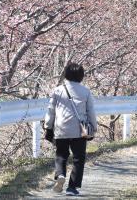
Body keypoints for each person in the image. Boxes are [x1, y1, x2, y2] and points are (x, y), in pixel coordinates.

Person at [44, 62, 97, 196]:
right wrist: (93, 129)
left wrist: (48, 127)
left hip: (61, 128)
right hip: (79, 130)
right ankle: (72, 188)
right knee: (79, 158)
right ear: (81, 76)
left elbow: (51, 111)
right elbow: (91, 111)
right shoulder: (86, 92)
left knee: (61, 155)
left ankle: (60, 174)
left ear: (66, 75)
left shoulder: (57, 91)